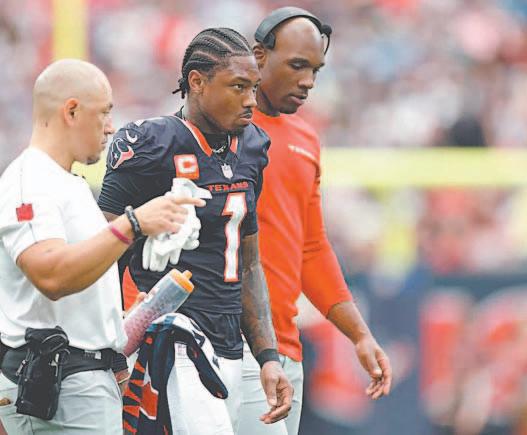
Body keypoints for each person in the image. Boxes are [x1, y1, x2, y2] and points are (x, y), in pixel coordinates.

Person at [98, 28, 292, 434]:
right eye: (238, 86)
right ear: (197, 82)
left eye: (254, 87)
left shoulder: (252, 145)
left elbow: (248, 264)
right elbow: (103, 258)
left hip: (234, 342)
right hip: (175, 339)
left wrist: (268, 355)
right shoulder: (148, 143)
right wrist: (111, 352)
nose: (251, 100)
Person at [0, 59, 204, 434]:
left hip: (82, 380)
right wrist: (133, 224)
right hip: (56, 385)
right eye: (104, 113)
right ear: (71, 111)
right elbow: (50, 275)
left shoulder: (67, 182)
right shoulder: (31, 181)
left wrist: (117, 321)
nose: (111, 126)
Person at [238, 8, 393, 435]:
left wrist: (359, 334)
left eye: (315, 69)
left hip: (285, 348)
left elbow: (310, 247)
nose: (308, 81)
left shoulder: (305, 138)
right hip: (228, 347)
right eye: (297, 65)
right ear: (259, 56)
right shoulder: (217, 131)